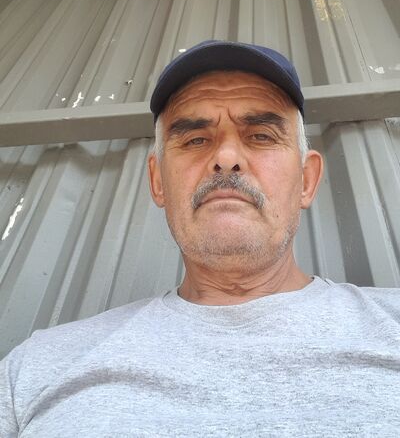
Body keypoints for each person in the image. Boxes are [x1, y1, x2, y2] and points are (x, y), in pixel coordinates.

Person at [0, 40, 399, 437]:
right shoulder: (37, 367)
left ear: (307, 181)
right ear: (158, 181)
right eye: (195, 139)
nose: (226, 157)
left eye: (261, 135)